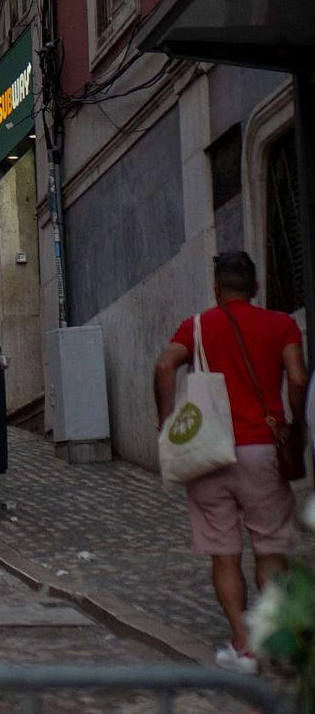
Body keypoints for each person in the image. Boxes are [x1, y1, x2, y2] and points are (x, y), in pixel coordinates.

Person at [153, 251, 308, 674]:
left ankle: (243, 645)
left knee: (224, 554)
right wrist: (294, 424)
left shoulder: (198, 326)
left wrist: (166, 423)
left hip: (208, 453)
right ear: (256, 288)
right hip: (263, 449)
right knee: (270, 551)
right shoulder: (282, 325)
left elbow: (165, 364)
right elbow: (297, 377)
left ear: (216, 289)